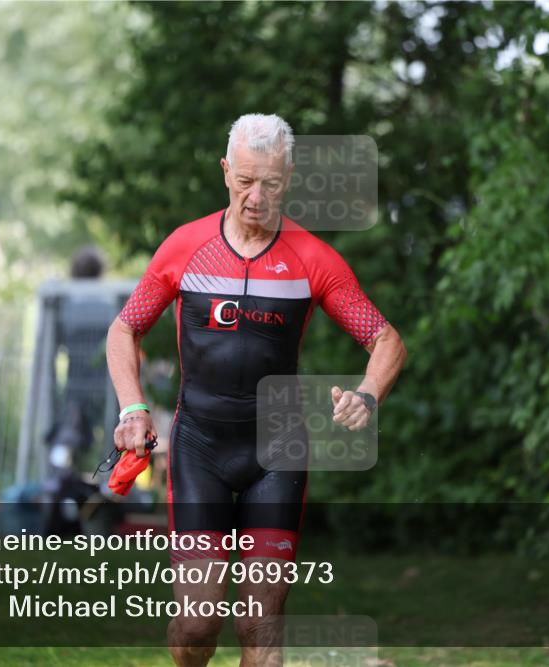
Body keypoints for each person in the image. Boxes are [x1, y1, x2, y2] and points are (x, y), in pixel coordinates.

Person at [106, 114, 406, 666]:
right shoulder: (186, 248)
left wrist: (366, 394)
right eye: (244, 180)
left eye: (269, 182)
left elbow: (386, 339)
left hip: (278, 450)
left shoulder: (313, 259)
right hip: (199, 446)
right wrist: (133, 406)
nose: (255, 196)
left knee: (260, 623)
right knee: (198, 623)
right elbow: (125, 327)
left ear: (288, 178)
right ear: (225, 172)